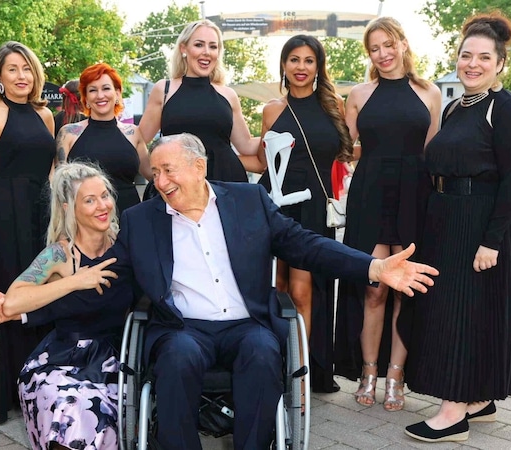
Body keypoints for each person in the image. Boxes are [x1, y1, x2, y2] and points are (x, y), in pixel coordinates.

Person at [117, 133, 439, 449]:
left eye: (168, 170)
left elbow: (305, 244)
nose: (160, 183)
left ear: (199, 167)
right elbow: (112, 273)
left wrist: (373, 267)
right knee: (177, 357)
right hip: (183, 328)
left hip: (246, 324)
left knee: (262, 352)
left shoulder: (248, 201)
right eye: (155, 173)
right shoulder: (141, 221)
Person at [401, 13, 511, 443]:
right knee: (458, 313)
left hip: (482, 225)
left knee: (461, 315)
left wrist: (491, 241)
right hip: (448, 221)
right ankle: (479, 400)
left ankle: (453, 413)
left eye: (483, 57)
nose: (472, 64)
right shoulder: (457, 106)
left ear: (500, 64)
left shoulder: (508, 109)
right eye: (465, 55)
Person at [0, 162, 133, 450]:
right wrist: (74, 281)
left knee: (88, 409)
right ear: (68, 207)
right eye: (90, 199)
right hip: (62, 358)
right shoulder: (60, 254)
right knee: (66, 404)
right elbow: (14, 300)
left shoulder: (124, 244)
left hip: (114, 358)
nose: (103, 206)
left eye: (105, 195)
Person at [333, 17, 441, 412]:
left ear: (403, 44)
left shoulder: (429, 93)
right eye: (374, 48)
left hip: (415, 195)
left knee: (405, 291)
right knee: (374, 287)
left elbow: (433, 154)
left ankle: (396, 375)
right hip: (371, 195)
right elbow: (344, 151)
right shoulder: (359, 94)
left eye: (388, 44)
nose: (383, 53)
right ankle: (368, 371)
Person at [255, 35, 354, 393]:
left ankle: (301, 371)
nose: (300, 66)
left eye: (308, 60)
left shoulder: (334, 107)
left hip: (313, 205)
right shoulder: (271, 110)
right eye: (293, 59)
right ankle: (273, 362)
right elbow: (260, 160)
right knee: (276, 286)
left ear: (318, 66)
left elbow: (347, 153)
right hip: (275, 203)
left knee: (302, 290)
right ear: (283, 65)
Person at [0, 41, 58, 424]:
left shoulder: (46, 116)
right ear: (0, 77)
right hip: (5, 211)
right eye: (13, 69)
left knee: (42, 294)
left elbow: (52, 172)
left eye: (27, 68)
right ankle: (7, 391)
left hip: (42, 212)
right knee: (10, 292)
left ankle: (40, 385)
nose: (22, 76)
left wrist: (60, 220)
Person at [137, 19, 264, 180]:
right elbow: (139, 140)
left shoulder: (228, 95)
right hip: (177, 186)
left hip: (226, 184)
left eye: (213, 46)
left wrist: (278, 129)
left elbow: (246, 145)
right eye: (199, 45)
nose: (206, 52)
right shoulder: (164, 90)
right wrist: (154, 175)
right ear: (184, 48)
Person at [57, 63, 151, 213]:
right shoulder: (68, 134)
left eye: (106, 88)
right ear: (86, 99)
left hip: (129, 219)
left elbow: (153, 175)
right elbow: (59, 186)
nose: (100, 95)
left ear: (118, 94)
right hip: (85, 221)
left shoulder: (133, 133)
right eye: (93, 90)